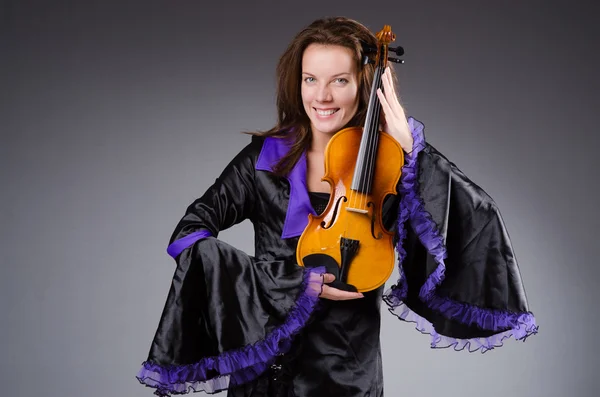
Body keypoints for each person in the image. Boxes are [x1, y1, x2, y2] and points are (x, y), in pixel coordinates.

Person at [136, 16, 538, 397]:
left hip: (346, 378)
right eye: (310, 79)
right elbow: (189, 235)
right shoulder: (263, 159)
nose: (321, 96)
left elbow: (477, 219)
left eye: (339, 81)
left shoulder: (391, 167)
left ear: (366, 84)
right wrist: (287, 282)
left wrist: (412, 145)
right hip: (262, 376)